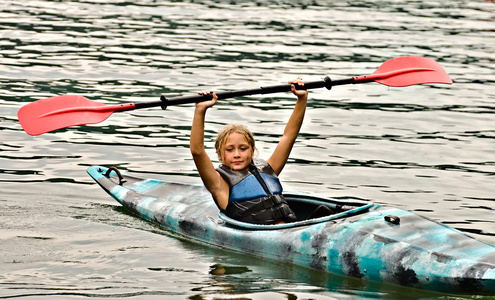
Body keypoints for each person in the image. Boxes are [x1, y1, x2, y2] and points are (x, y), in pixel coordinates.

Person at [190, 77, 321, 225]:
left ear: (252, 152)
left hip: (290, 228)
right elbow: (197, 151)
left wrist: (302, 99)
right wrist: (200, 111)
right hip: (272, 235)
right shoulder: (219, 185)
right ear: (220, 155)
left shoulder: (268, 170)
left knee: (323, 211)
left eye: (243, 148)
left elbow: (288, 137)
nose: (237, 154)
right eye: (230, 150)